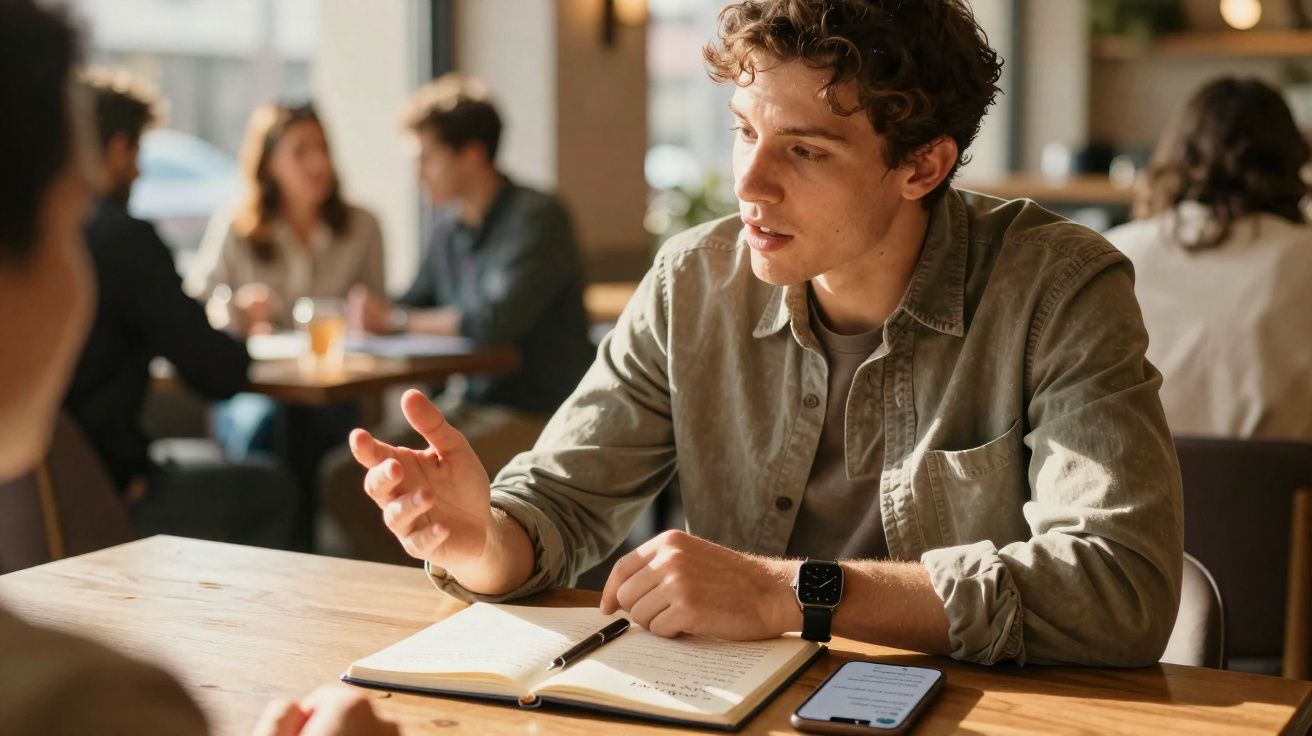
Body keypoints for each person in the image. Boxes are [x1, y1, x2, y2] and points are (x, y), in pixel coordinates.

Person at [350, 0, 1184, 668]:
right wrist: (484, 542)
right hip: (735, 704)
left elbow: (1119, 588)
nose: (747, 183)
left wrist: (792, 592)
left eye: (806, 150)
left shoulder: (1058, 288)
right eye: (745, 130)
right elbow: (561, 503)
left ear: (922, 167)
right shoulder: (693, 283)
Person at [0, 1, 396, 734]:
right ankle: (286, 665)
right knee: (272, 480)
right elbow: (217, 369)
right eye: (70, 212)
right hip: (118, 495)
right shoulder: (94, 704)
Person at [328, 74, 593, 561]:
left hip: (537, 412)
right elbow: (414, 301)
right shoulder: (448, 227)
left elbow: (495, 321)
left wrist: (398, 322)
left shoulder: (537, 217)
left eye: (427, 159)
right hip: (466, 405)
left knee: (398, 484)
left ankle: (451, 594)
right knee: (345, 479)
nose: (419, 175)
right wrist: (381, 314)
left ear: (472, 154)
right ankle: (423, 594)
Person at [63, 69, 296, 549]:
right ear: (115, 149)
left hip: (41, 502)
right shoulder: (124, 240)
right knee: (276, 490)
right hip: (113, 493)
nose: (140, 171)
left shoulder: (41, 242)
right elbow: (216, 374)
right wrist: (240, 334)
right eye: (137, 153)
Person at [1104, 77, 1312, 439]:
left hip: (1132, 483)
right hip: (1275, 491)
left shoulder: (1112, 252)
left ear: (1175, 154)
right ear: (1291, 159)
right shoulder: (1302, 255)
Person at [186, 101, 386, 462]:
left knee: (331, 428)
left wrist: (374, 318)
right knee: (270, 427)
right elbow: (194, 304)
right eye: (301, 152)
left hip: (334, 392)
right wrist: (235, 311)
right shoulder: (238, 228)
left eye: (323, 148)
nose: (319, 164)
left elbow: (379, 313)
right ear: (269, 164)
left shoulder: (362, 227)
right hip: (255, 390)